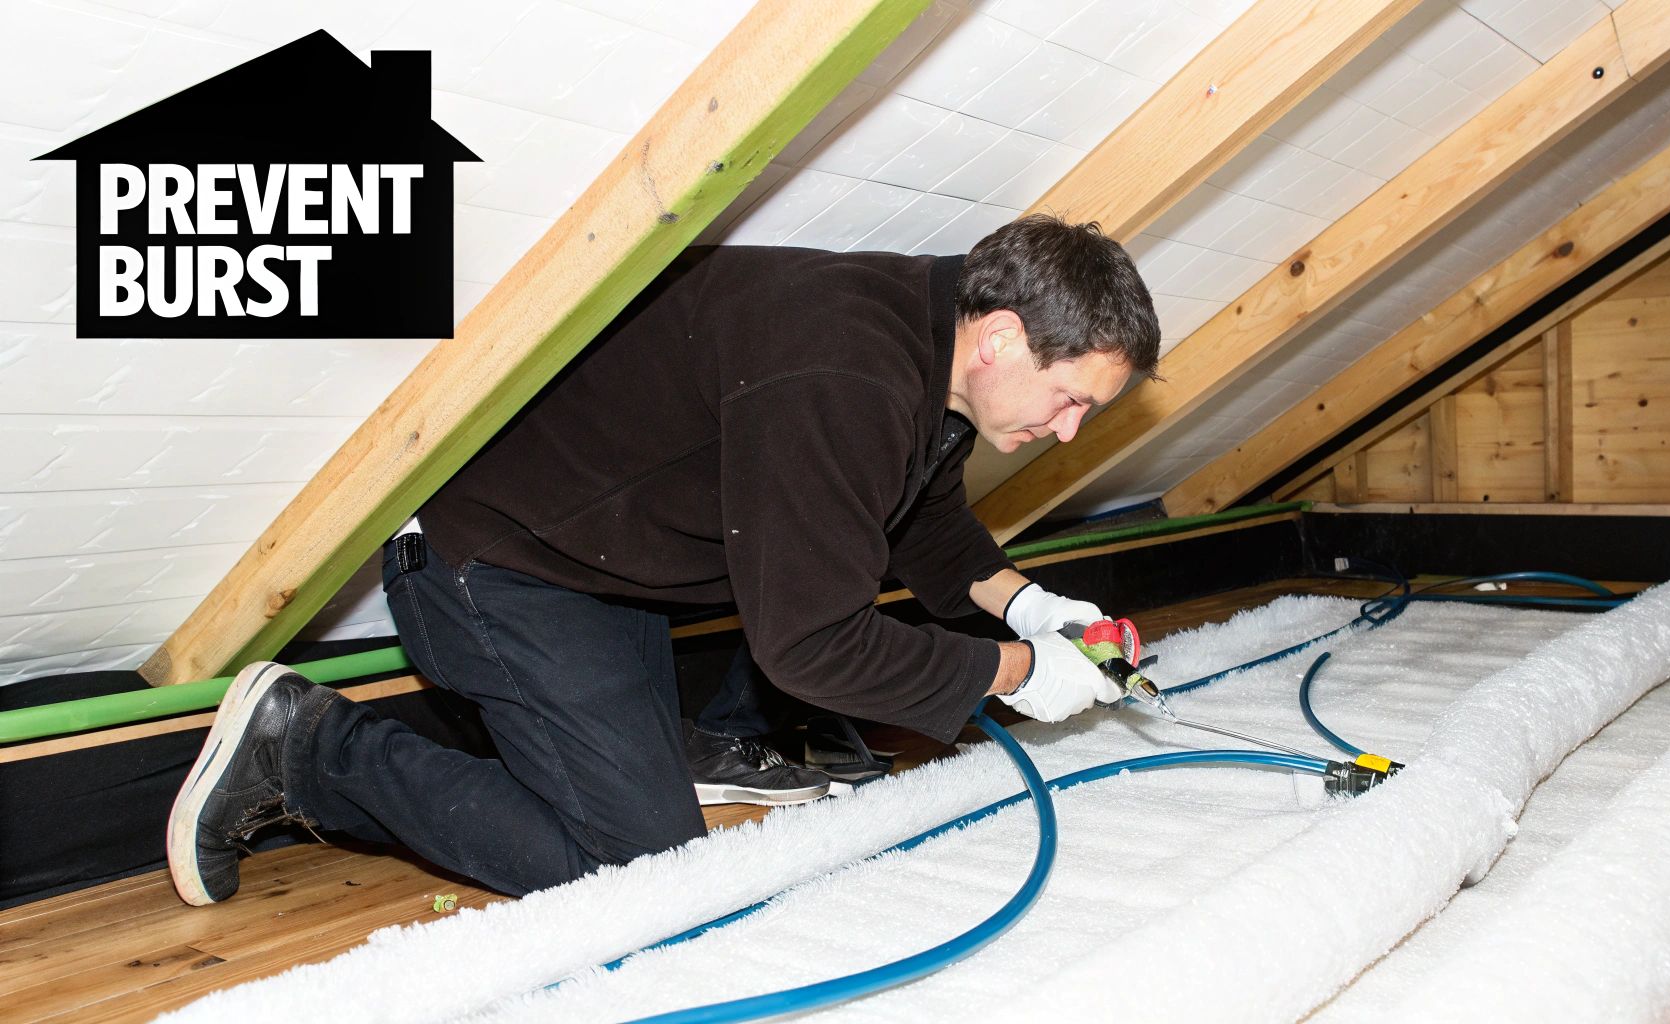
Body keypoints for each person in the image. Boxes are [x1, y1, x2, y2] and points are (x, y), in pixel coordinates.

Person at [164, 215, 1162, 906]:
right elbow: (809, 647)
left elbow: (923, 520)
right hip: (494, 559)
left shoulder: (924, 337)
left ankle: (625, 748)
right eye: (1068, 398)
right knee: (636, 862)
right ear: (998, 336)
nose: (1070, 433)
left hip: (601, 574)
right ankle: (302, 746)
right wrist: (1017, 674)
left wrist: (1031, 607)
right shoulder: (845, 372)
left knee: (638, 799)